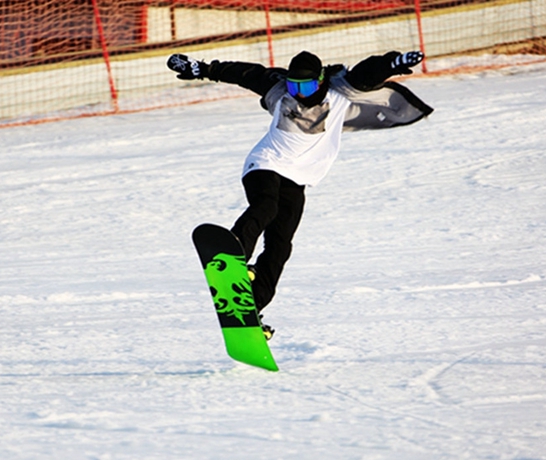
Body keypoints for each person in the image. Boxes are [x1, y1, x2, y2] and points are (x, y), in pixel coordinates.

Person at [167, 49, 433, 339]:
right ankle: (233, 258)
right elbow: (246, 74)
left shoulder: (340, 91)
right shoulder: (279, 90)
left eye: (305, 87)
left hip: (297, 179)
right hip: (265, 164)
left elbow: (365, 73)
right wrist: (203, 69)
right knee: (265, 207)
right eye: (294, 86)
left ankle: (252, 308)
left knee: (280, 246)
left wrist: (391, 64)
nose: (299, 94)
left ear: (320, 82)